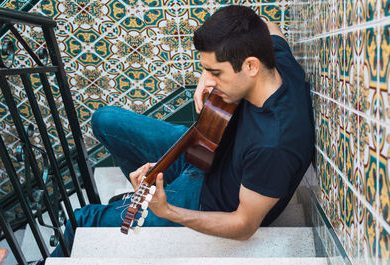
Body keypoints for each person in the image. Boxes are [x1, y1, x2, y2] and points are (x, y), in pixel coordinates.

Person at [50, 4, 314, 257]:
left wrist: (167, 211)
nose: (209, 81)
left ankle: (151, 208)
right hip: (205, 152)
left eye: (216, 73)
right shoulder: (277, 62)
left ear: (250, 66)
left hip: (204, 200)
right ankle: (143, 195)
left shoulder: (274, 145)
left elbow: (244, 225)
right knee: (105, 121)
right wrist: (208, 76)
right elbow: (267, 24)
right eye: (206, 70)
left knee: (81, 220)